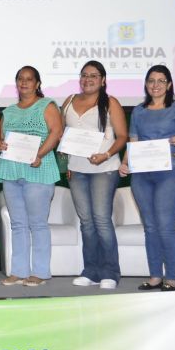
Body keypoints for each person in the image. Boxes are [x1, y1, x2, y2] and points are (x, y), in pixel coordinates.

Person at [119, 65, 175, 292]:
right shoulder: (139, 111)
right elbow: (133, 142)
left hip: (171, 171)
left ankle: (171, 277)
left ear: (169, 85)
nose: (156, 85)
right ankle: (154, 277)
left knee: (165, 226)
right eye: (152, 80)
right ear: (146, 84)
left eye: (161, 80)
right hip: (142, 173)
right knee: (150, 227)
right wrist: (124, 163)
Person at [0, 66, 63, 286]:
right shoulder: (9, 111)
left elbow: (56, 132)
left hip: (38, 169)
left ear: (37, 83)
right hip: (12, 170)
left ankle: (41, 273)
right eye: (20, 79)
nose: (24, 83)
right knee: (18, 224)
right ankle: (19, 271)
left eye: (29, 79)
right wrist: (1, 144)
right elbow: (0, 140)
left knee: (38, 224)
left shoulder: (47, 105)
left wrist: (39, 154)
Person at [63, 61, 127, 290]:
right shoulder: (69, 101)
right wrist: (65, 163)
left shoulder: (111, 102)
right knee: (86, 223)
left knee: (101, 220)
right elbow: (63, 136)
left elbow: (122, 136)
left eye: (93, 75)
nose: (87, 79)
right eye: (84, 75)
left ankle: (110, 272)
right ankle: (90, 270)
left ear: (103, 80)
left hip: (104, 168)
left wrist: (106, 154)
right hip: (77, 169)